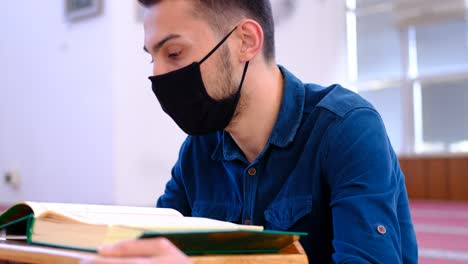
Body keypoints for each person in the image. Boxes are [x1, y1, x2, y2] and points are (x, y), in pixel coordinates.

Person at [84, 0, 418, 263]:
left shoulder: (347, 128)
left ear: (246, 41)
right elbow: (156, 242)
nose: (157, 75)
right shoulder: (200, 148)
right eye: (152, 58)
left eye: (173, 53)